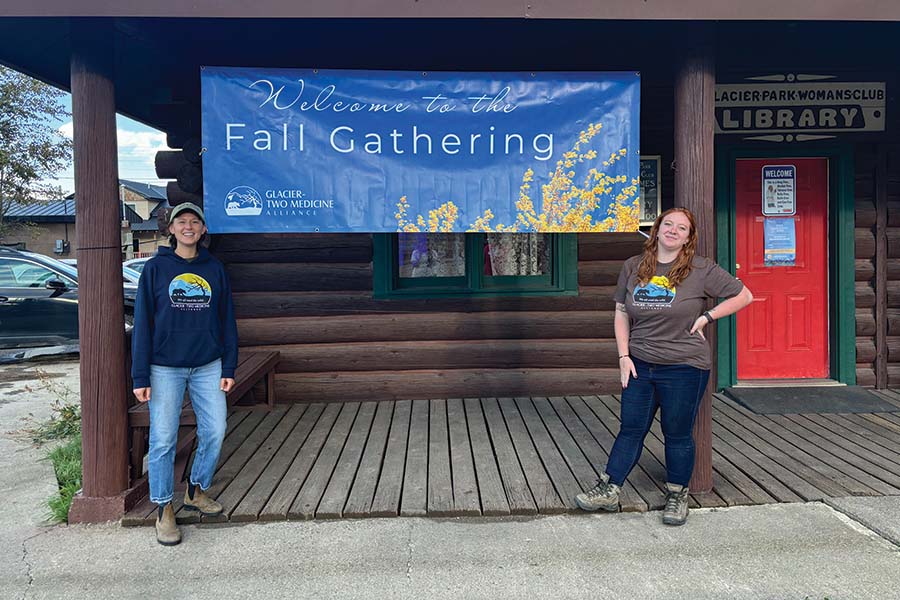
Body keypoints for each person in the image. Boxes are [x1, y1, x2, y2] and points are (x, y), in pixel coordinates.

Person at [576, 207, 753, 525]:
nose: (673, 230)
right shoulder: (633, 266)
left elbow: (744, 296)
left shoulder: (701, 269)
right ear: (656, 229)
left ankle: (677, 494)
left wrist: (707, 317)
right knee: (631, 428)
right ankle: (609, 488)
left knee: (677, 432)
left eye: (681, 228)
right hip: (640, 363)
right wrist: (623, 356)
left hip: (684, 366)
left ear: (688, 238)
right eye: (667, 224)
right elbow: (621, 312)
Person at [131, 202, 238, 545]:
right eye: (182, 221)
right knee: (163, 439)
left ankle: (195, 490)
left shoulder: (215, 268)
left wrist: (229, 366)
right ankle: (163, 508)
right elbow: (143, 324)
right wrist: (140, 376)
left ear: (203, 230)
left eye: (195, 222)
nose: (188, 226)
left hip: (208, 364)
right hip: (164, 368)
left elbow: (227, 321)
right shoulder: (156, 269)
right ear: (171, 229)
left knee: (215, 430)